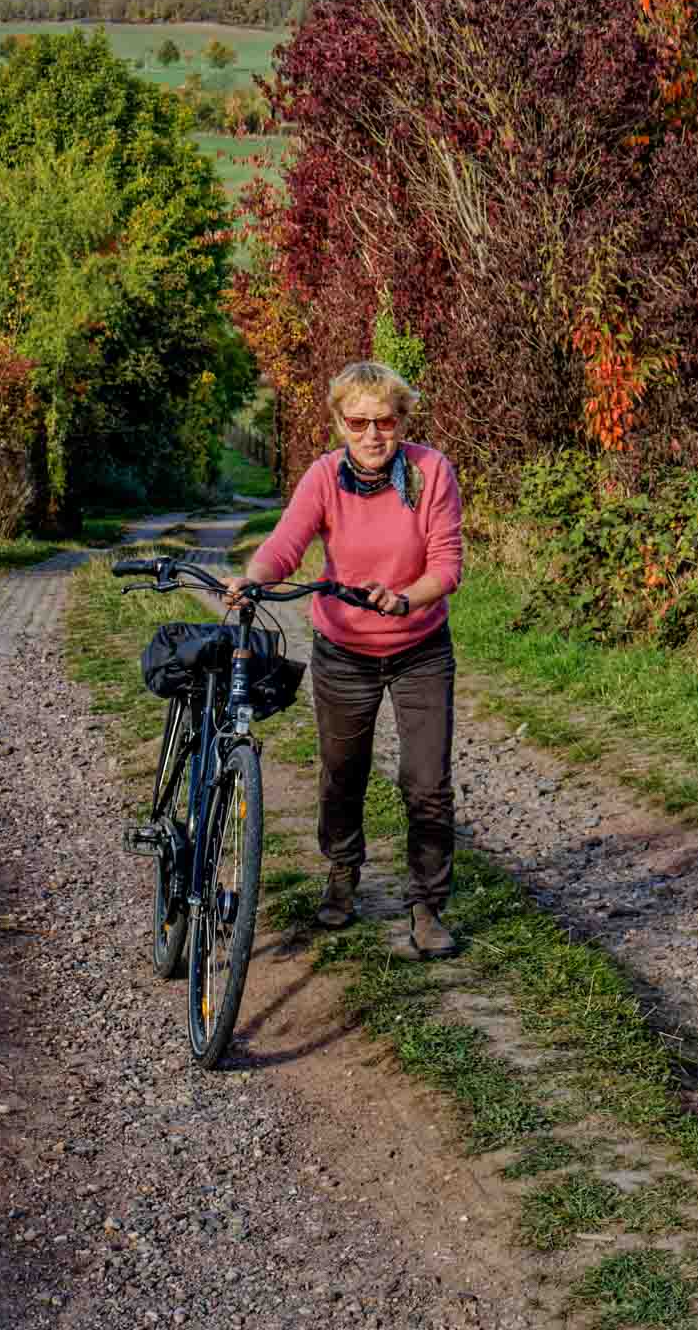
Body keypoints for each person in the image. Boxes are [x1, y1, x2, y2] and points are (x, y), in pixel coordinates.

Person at [227, 360, 464, 960]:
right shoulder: (324, 477)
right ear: (338, 423)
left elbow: (446, 565)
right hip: (343, 651)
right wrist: (253, 578)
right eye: (357, 422)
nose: (372, 434)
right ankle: (342, 874)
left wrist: (406, 598)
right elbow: (286, 543)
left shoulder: (431, 471)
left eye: (384, 421)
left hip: (420, 647)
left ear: (402, 421)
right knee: (342, 774)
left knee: (427, 783)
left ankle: (426, 905)